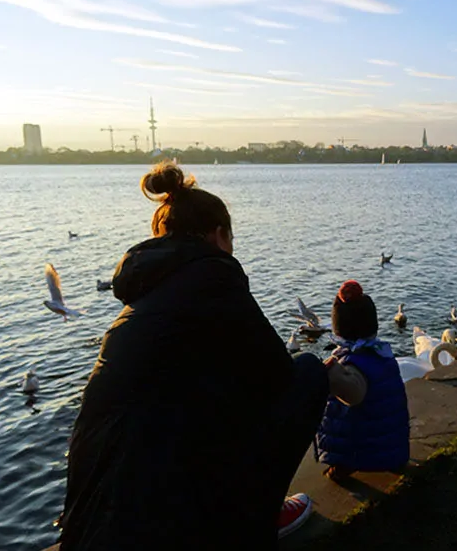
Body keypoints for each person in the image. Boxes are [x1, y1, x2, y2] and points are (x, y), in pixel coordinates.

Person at [57, 161, 331, 550]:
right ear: (219, 235)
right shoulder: (214, 278)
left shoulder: (143, 296)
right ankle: (253, 519)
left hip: (93, 519)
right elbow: (277, 377)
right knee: (308, 372)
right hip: (163, 519)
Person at [316, 280, 411, 482]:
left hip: (361, 446)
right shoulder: (382, 354)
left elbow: (353, 395)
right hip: (391, 441)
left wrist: (329, 372)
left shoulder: (353, 365)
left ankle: (342, 466)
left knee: (349, 424)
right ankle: (394, 459)